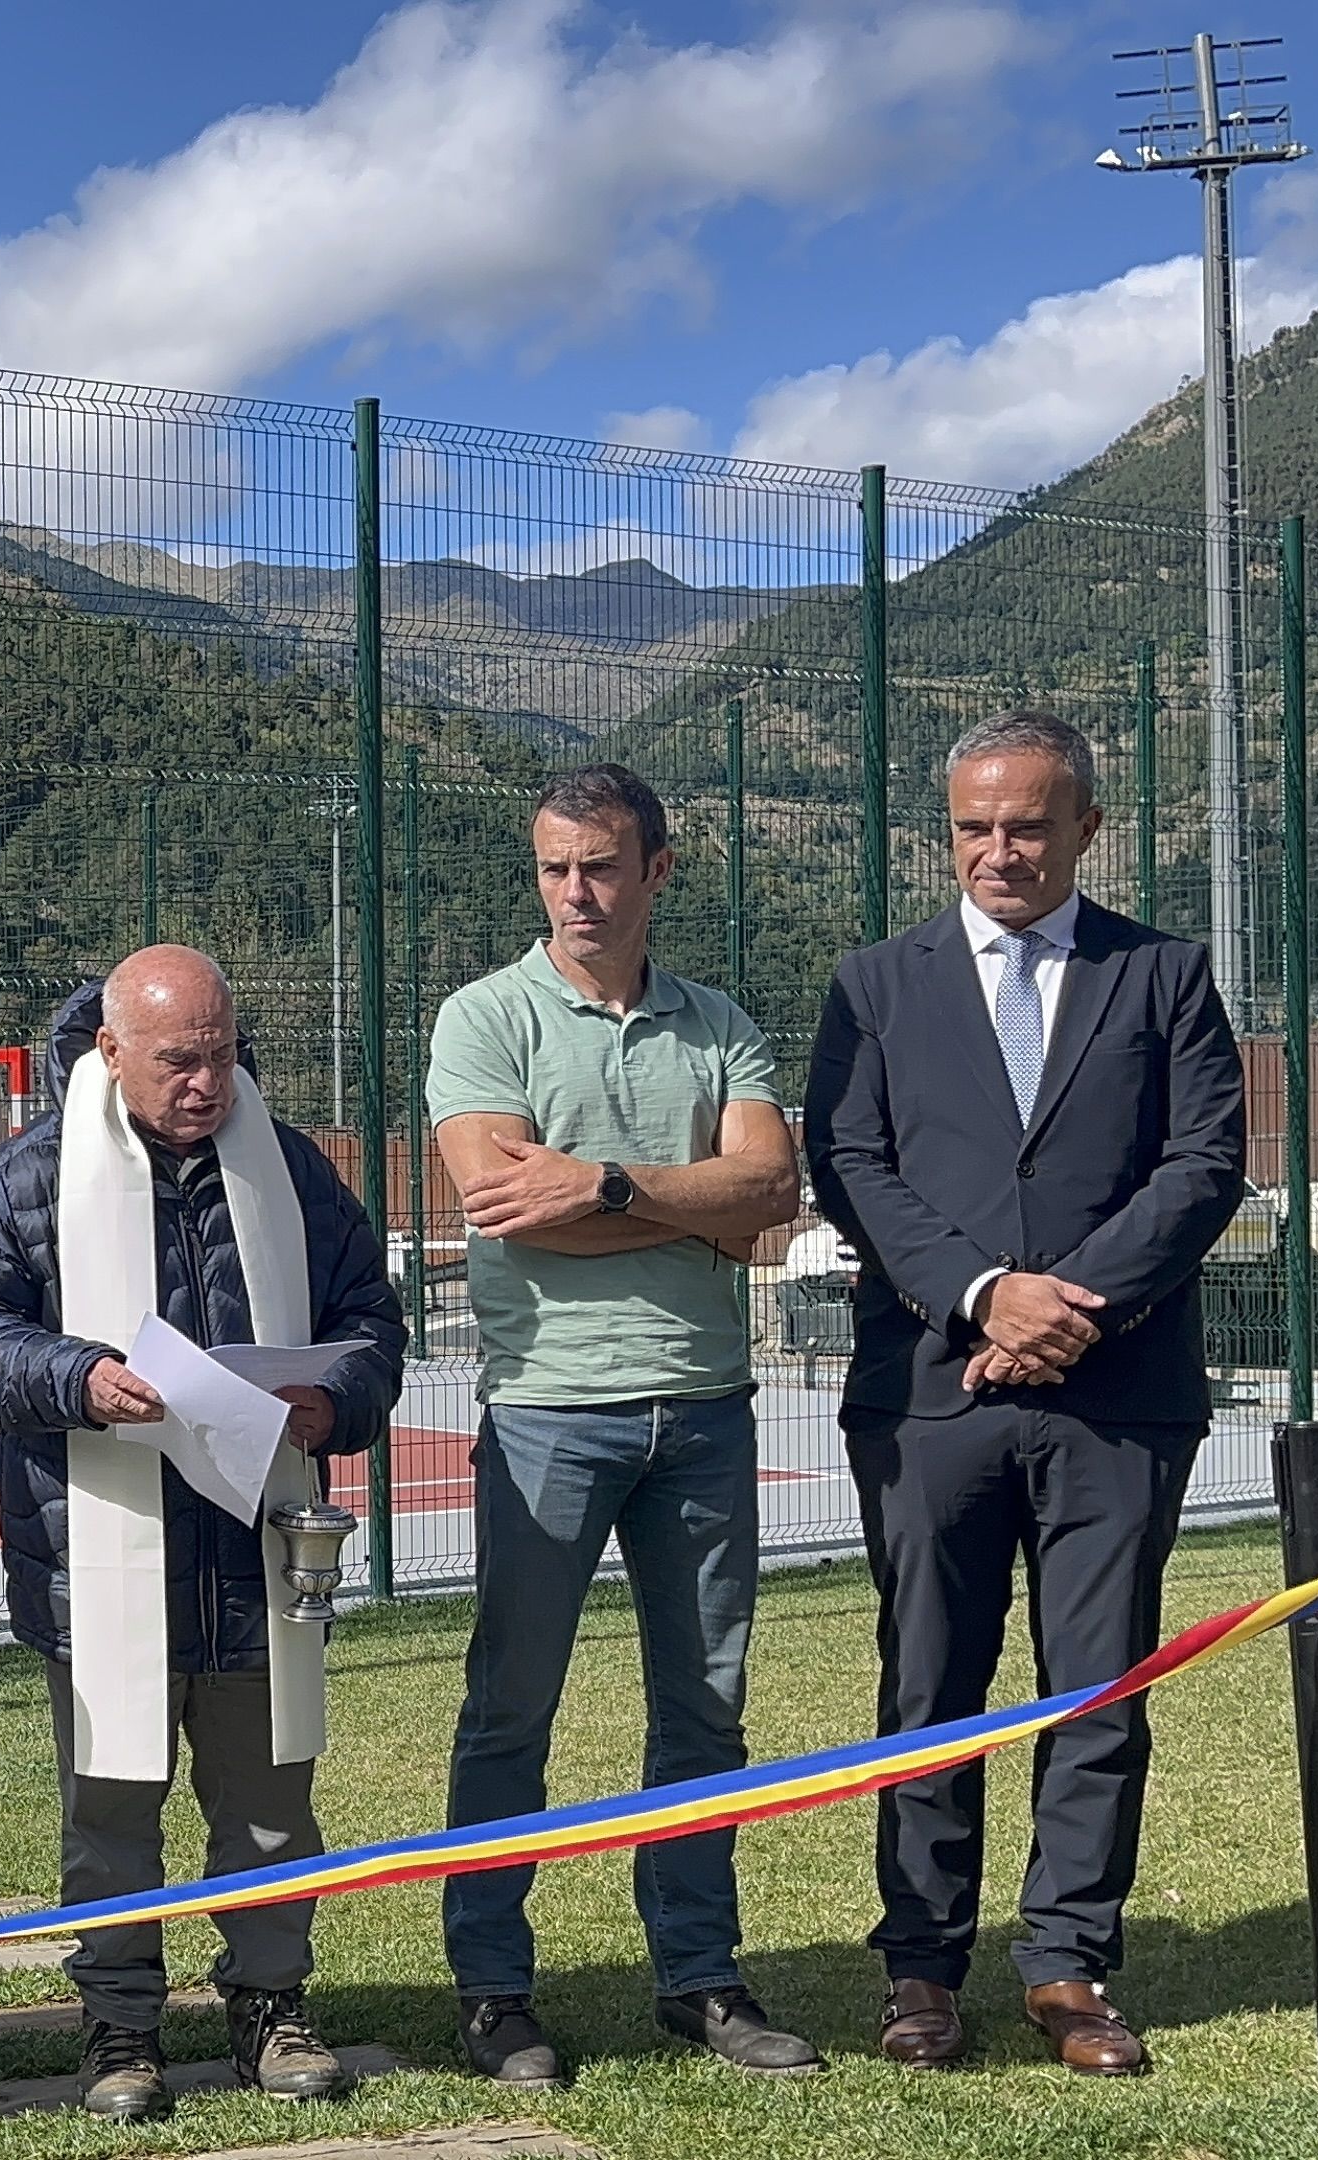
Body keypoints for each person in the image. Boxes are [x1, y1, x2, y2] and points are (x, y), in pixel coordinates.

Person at [806, 709, 1244, 2076]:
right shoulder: (875, 984)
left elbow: (1203, 1164)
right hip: (932, 1395)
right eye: (975, 827)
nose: (1000, 850)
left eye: (1029, 825)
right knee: (929, 1684)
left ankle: (1067, 1963)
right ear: (950, 834)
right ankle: (921, 1970)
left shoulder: (1163, 976)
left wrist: (1069, 1307)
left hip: (1118, 1402)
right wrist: (989, 1297)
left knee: (1097, 1688)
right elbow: (852, 1166)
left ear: (1087, 830)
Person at [0, 948, 398, 2124]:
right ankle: (121, 2027)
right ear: (111, 1052)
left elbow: (369, 1318)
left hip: (258, 1551)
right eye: (178, 1060)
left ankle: (272, 2007)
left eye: (223, 1054)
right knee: (110, 1811)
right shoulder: (31, 1178)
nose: (206, 1083)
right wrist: (78, 1378)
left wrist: (331, 1400)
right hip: (97, 1562)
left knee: (272, 1806)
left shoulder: (289, 1172)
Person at [423, 764, 813, 2087]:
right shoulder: (484, 1019)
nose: (576, 893)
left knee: (705, 1713)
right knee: (509, 1712)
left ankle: (700, 1980)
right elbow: (501, 1199)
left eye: (600, 866)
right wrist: (691, 1205)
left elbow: (774, 1189)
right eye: (553, 868)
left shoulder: (719, 1025)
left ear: (658, 870)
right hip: (544, 1414)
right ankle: (492, 1991)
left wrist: (595, 1184)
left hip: (704, 1410)